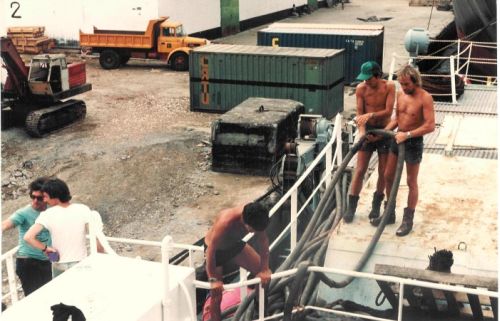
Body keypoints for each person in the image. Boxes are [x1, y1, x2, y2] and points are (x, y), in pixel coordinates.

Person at [371, 65, 435, 236]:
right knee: (387, 176)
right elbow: (398, 118)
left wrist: (408, 135)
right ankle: (389, 213)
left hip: (412, 142)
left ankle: (408, 220)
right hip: (397, 139)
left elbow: (430, 126)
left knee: (411, 181)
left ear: (415, 81)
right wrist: (383, 133)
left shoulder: (425, 98)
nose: (403, 88)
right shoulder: (401, 95)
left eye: (406, 84)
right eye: (401, 84)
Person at [344, 61, 395, 223]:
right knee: (359, 170)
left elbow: (388, 110)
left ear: (378, 76)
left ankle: (376, 205)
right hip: (367, 131)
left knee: (383, 172)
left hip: (384, 130)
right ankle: (351, 207)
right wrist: (362, 134)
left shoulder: (389, 87)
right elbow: (360, 115)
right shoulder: (361, 89)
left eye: (369, 79)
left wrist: (371, 116)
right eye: (364, 79)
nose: (366, 82)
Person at [204, 202, 271, 321]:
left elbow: (263, 240)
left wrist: (265, 269)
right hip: (216, 252)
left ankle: (260, 314)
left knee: (263, 276)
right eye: (253, 230)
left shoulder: (256, 218)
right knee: (216, 294)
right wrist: (213, 280)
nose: (254, 233)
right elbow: (210, 251)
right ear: (244, 221)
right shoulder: (225, 222)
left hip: (234, 245)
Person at [24, 178, 104, 277]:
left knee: (61, 292)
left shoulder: (47, 214)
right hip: (80, 263)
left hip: (59, 264)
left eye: (45, 196)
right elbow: (95, 236)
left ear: (55, 197)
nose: (44, 200)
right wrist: (101, 255)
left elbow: (28, 237)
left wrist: (45, 249)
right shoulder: (83, 209)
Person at [2, 177, 52, 296]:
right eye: (32, 197)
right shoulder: (24, 213)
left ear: (47, 197)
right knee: (34, 298)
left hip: (48, 260)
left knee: (50, 295)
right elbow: (5, 224)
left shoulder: (52, 210)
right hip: (29, 262)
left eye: (39, 198)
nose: (35, 201)